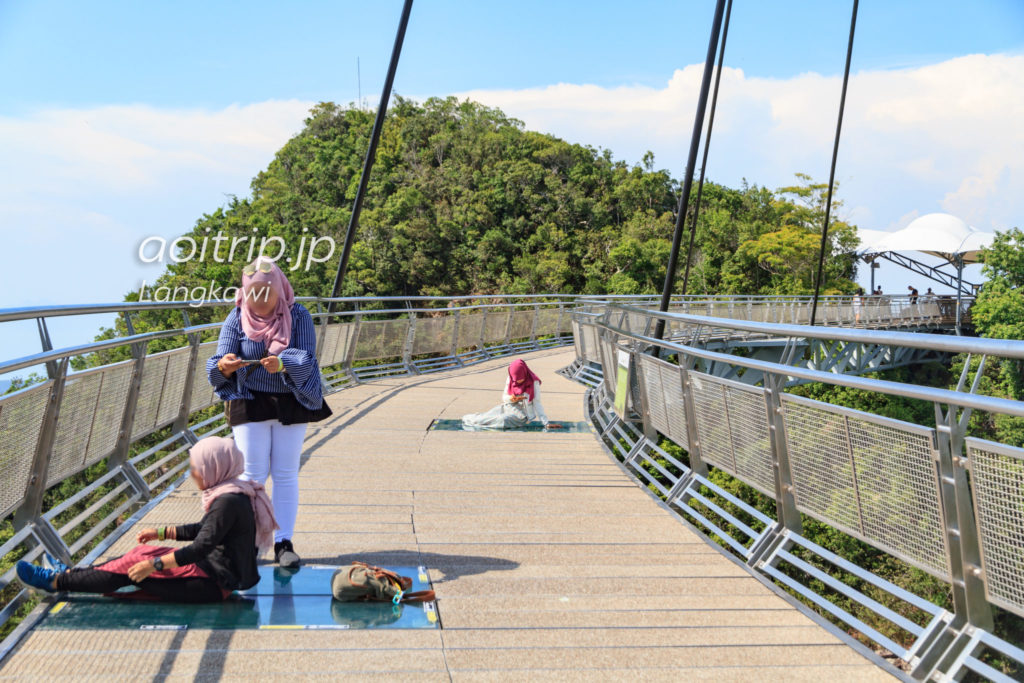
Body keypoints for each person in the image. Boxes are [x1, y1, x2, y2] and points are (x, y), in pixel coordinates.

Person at [16, 437, 275, 602]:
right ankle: (72, 573)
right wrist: (162, 533)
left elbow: (201, 547)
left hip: (211, 583)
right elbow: (206, 530)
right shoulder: (233, 492)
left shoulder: (229, 500)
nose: (193, 473)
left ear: (215, 466)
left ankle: (55, 582)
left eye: (196, 467)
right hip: (212, 574)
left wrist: (155, 566)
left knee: (134, 566)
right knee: (141, 551)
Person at [207, 257, 332, 568]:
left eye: (266, 294)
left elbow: (305, 356)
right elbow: (221, 358)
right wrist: (225, 365)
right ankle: (248, 543)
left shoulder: (298, 315)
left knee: (286, 473)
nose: (259, 302)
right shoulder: (236, 316)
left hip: (291, 398)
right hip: (249, 399)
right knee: (252, 475)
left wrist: (283, 363)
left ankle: (283, 542)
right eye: (253, 295)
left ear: (279, 290)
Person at [462, 359, 558, 429]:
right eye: (515, 379)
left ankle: (476, 422)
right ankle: (470, 419)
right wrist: (512, 398)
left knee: (503, 419)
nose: (518, 381)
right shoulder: (510, 379)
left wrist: (546, 423)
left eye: (520, 378)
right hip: (508, 407)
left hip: (521, 415)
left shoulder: (533, 382)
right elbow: (504, 398)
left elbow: (537, 403)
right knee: (485, 416)